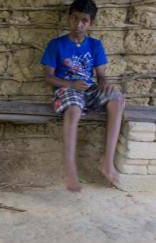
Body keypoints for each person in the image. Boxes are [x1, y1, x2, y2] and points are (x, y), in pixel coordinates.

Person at [41, 0, 125, 192]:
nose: (78, 24)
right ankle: (70, 169)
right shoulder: (56, 45)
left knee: (116, 100)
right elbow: (48, 76)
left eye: (84, 20)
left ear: (91, 23)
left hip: (88, 89)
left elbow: (101, 75)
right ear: (69, 18)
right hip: (66, 89)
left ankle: (108, 162)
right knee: (74, 109)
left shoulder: (95, 45)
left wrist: (105, 83)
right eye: (75, 18)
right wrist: (71, 84)